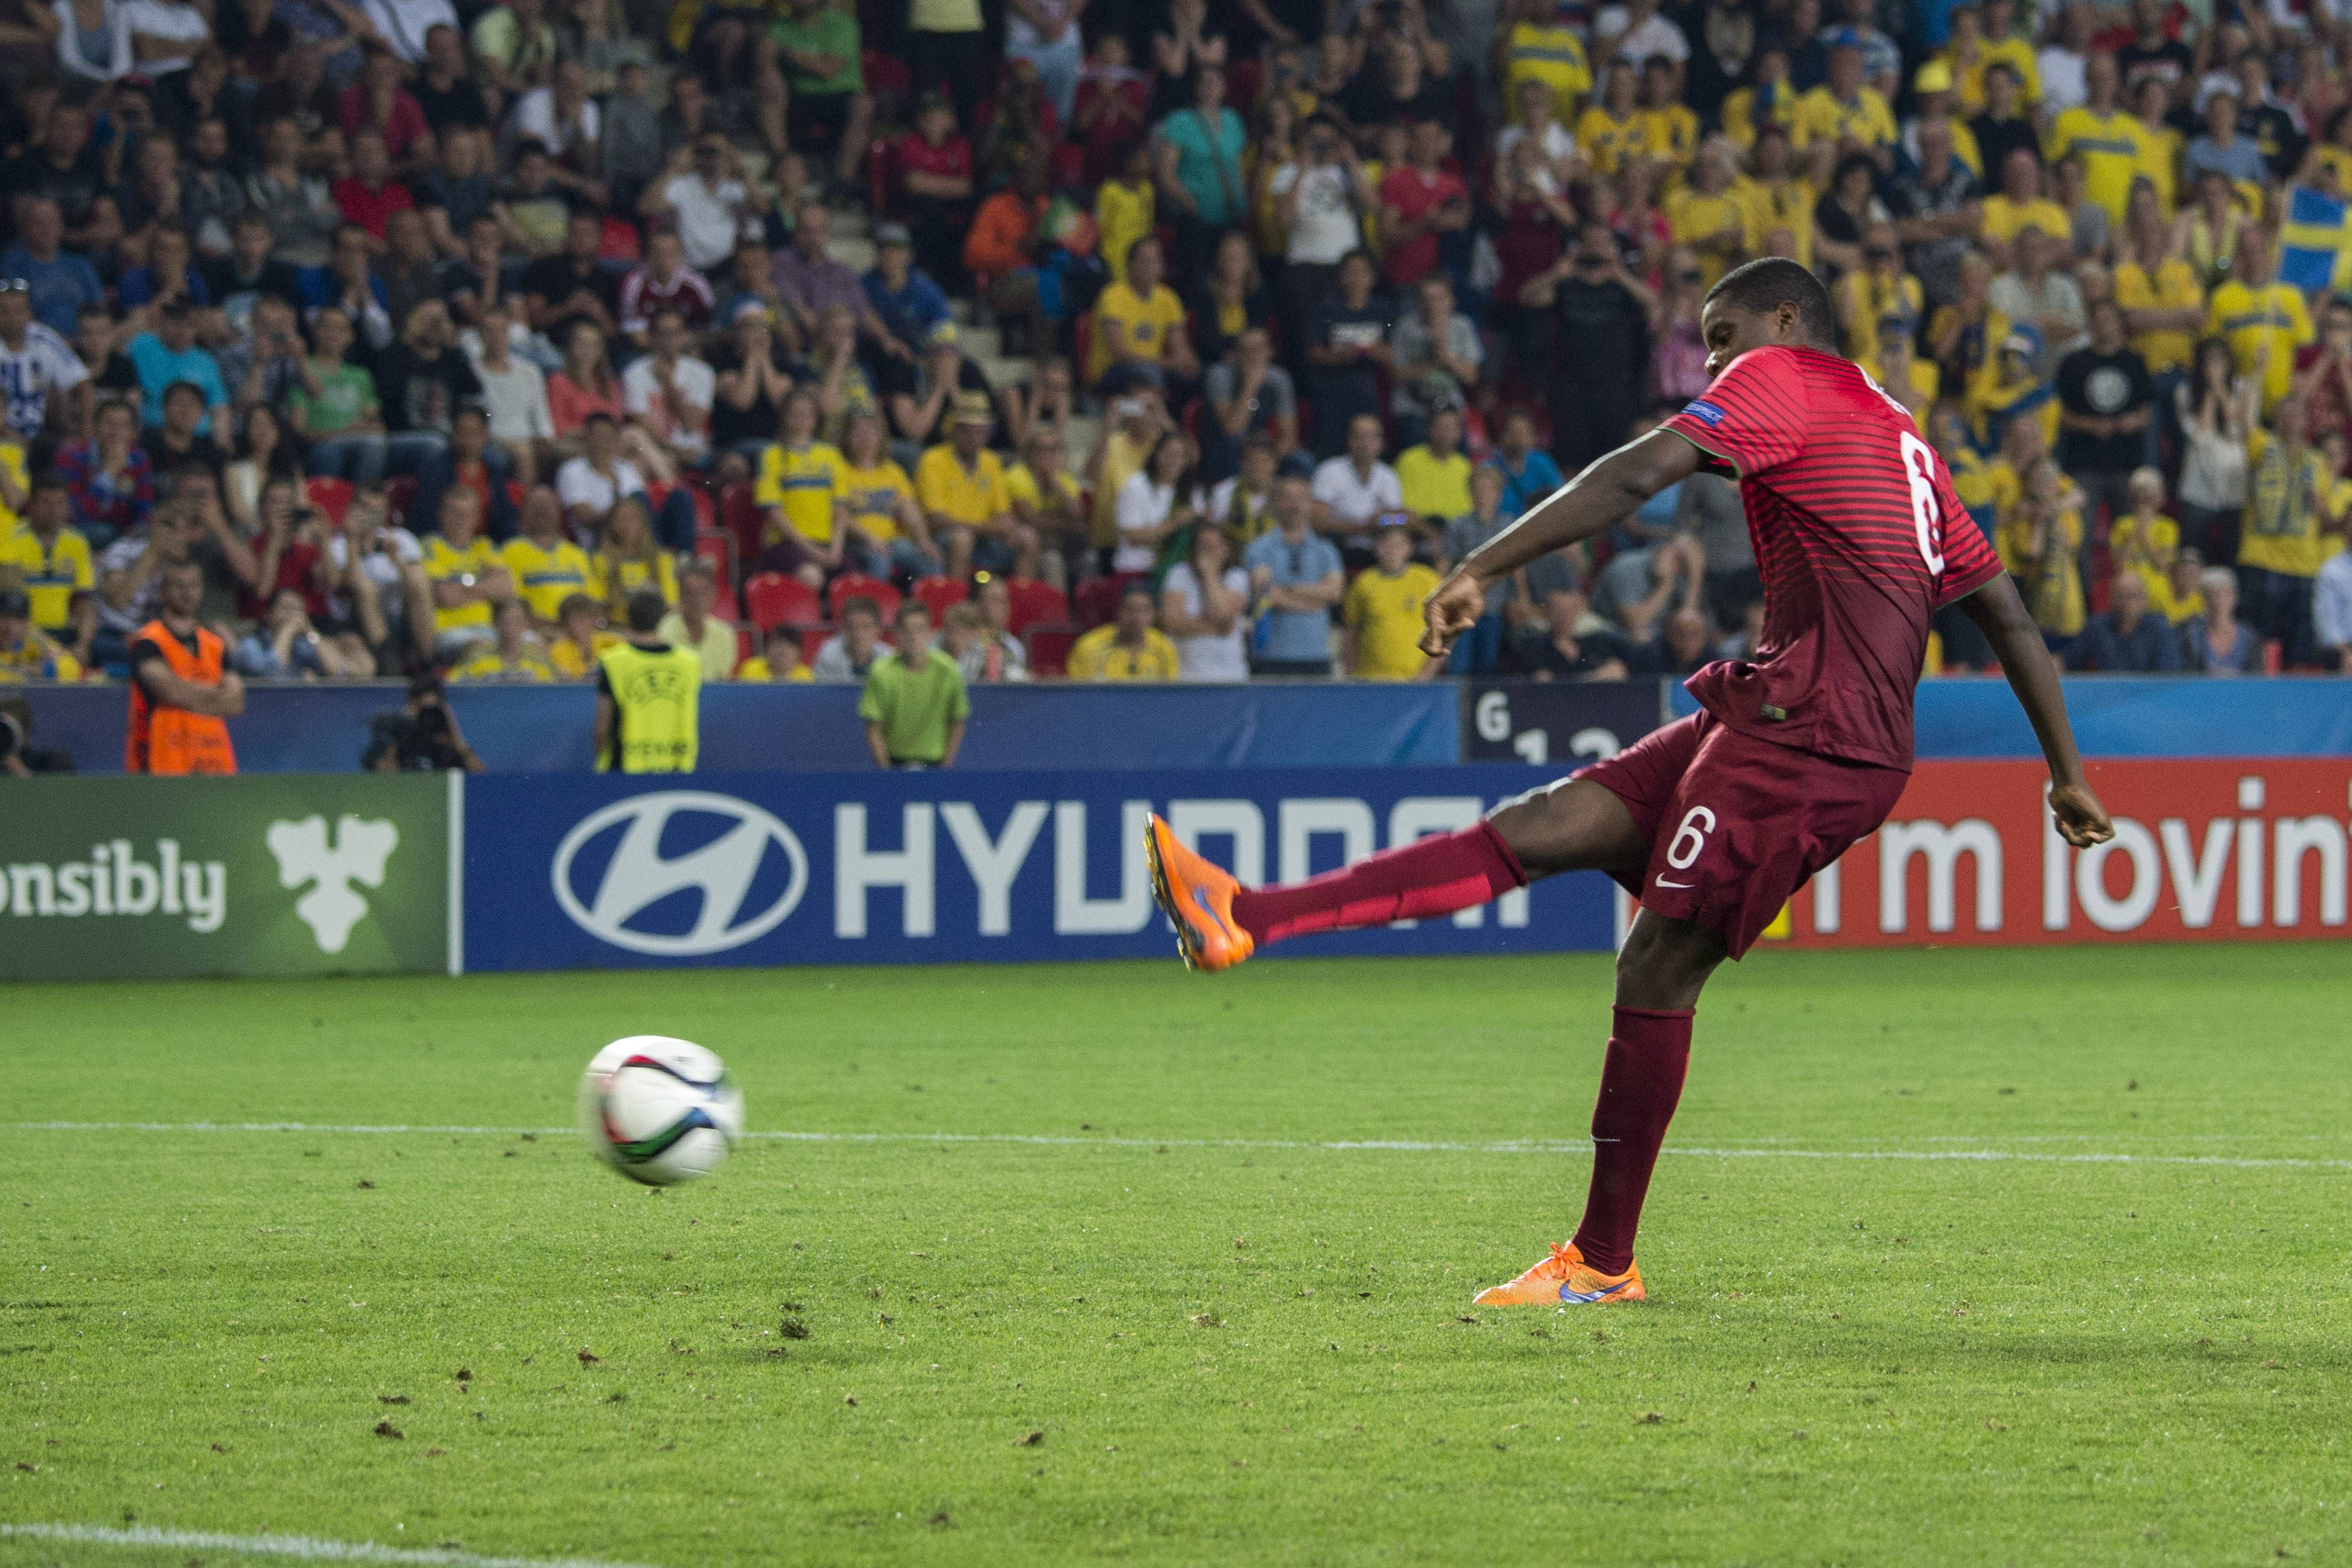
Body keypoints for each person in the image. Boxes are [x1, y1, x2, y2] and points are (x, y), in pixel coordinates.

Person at [1141, 257, 2114, 1309]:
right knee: (1548, 820)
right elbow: (2004, 613)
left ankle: (1603, 1261)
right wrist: (2066, 773)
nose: (1712, 360)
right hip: (1776, 707)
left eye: (1721, 332)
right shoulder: (1900, 437)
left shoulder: (1779, 377)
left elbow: (1633, 473)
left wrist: (1483, 566)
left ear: (1786, 320)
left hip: (1814, 737)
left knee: (1656, 965)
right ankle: (1242, 914)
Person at [126, 558, 244, 774]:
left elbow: (236, 702)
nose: (187, 593)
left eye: (194, 585)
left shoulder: (215, 644)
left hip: (213, 761)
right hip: (163, 761)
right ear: (163, 591)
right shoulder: (148, 642)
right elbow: (171, 691)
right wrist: (217, 694)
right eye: (179, 586)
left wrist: (188, 694)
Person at [1242, 472, 1344, 675]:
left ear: (1310, 504)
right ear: (1276, 503)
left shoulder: (1326, 550)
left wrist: (1288, 589)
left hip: (1316, 656)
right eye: (1287, 498)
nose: (1294, 505)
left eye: (1300, 498)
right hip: (1271, 657)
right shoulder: (1259, 548)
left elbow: (1334, 593)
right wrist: (1315, 602)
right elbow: (1267, 595)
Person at [596, 587, 702, 773]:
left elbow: (603, 725)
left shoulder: (613, 661)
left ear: (629, 617)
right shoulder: (690, 663)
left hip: (623, 769)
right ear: (662, 618)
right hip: (677, 768)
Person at [859, 601, 968, 768]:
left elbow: (957, 721)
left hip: (936, 766)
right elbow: (874, 728)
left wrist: (945, 770)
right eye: (906, 630)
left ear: (930, 633)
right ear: (896, 633)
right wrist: (887, 773)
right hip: (894, 765)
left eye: (920, 629)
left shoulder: (949, 670)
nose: (913, 636)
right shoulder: (880, 672)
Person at [1343, 518, 1441, 679]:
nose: (1392, 550)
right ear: (1376, 548)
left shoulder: (1428, 580)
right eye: (1385, 544)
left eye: (1398, 544)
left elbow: (1442, 631)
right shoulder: (1364, 583)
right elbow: (1351, 631)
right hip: (1370, 678)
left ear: (1409, 548)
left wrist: (1426, 674)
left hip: (1414, 679)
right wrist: (1352, 673)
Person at [1159, 524, 1250, 681]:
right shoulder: (1179, 574)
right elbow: (1173, 624)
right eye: (1204, 547)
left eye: (1214, 547)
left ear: (1226, 550)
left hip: (1230, 677)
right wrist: (1221, 629)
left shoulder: (1237, 577)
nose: (1208, 553)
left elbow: (1221, 615)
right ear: (1194, 551)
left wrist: (1209, 575)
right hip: (1186, 677)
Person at [2066, 569, 2182, 672]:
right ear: (2111, 599)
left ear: (2145, 600)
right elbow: (2068, 661)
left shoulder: (2161, 629)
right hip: (2107, 693)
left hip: (2149, 694)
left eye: (2133, 596)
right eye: (2120, 595)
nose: (2127, 602)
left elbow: (2169, 677)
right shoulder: (2097, 627)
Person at [1067, 581, 1181, 679]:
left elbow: (1169, 695)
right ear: (1119, 611)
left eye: (1144, 610)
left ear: (1155, 615)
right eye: (1129, 609)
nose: (1136, 617)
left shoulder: (1164, 648)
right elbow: (1078, 694)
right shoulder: (1089, 647)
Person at [657, 557, 739, 683]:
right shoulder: (665, 630)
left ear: (714, 595)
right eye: (690, 593)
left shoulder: (725, 634)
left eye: (703, 592)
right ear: (680, 595)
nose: (696, 600)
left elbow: (725, 682)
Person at [811, 595, 885, 682]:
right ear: (842, 628)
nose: (858, 634)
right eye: (851, 627)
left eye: (866, 627)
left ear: (878, 630)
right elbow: (824, 694)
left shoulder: (888, 658)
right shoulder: (828, 656)